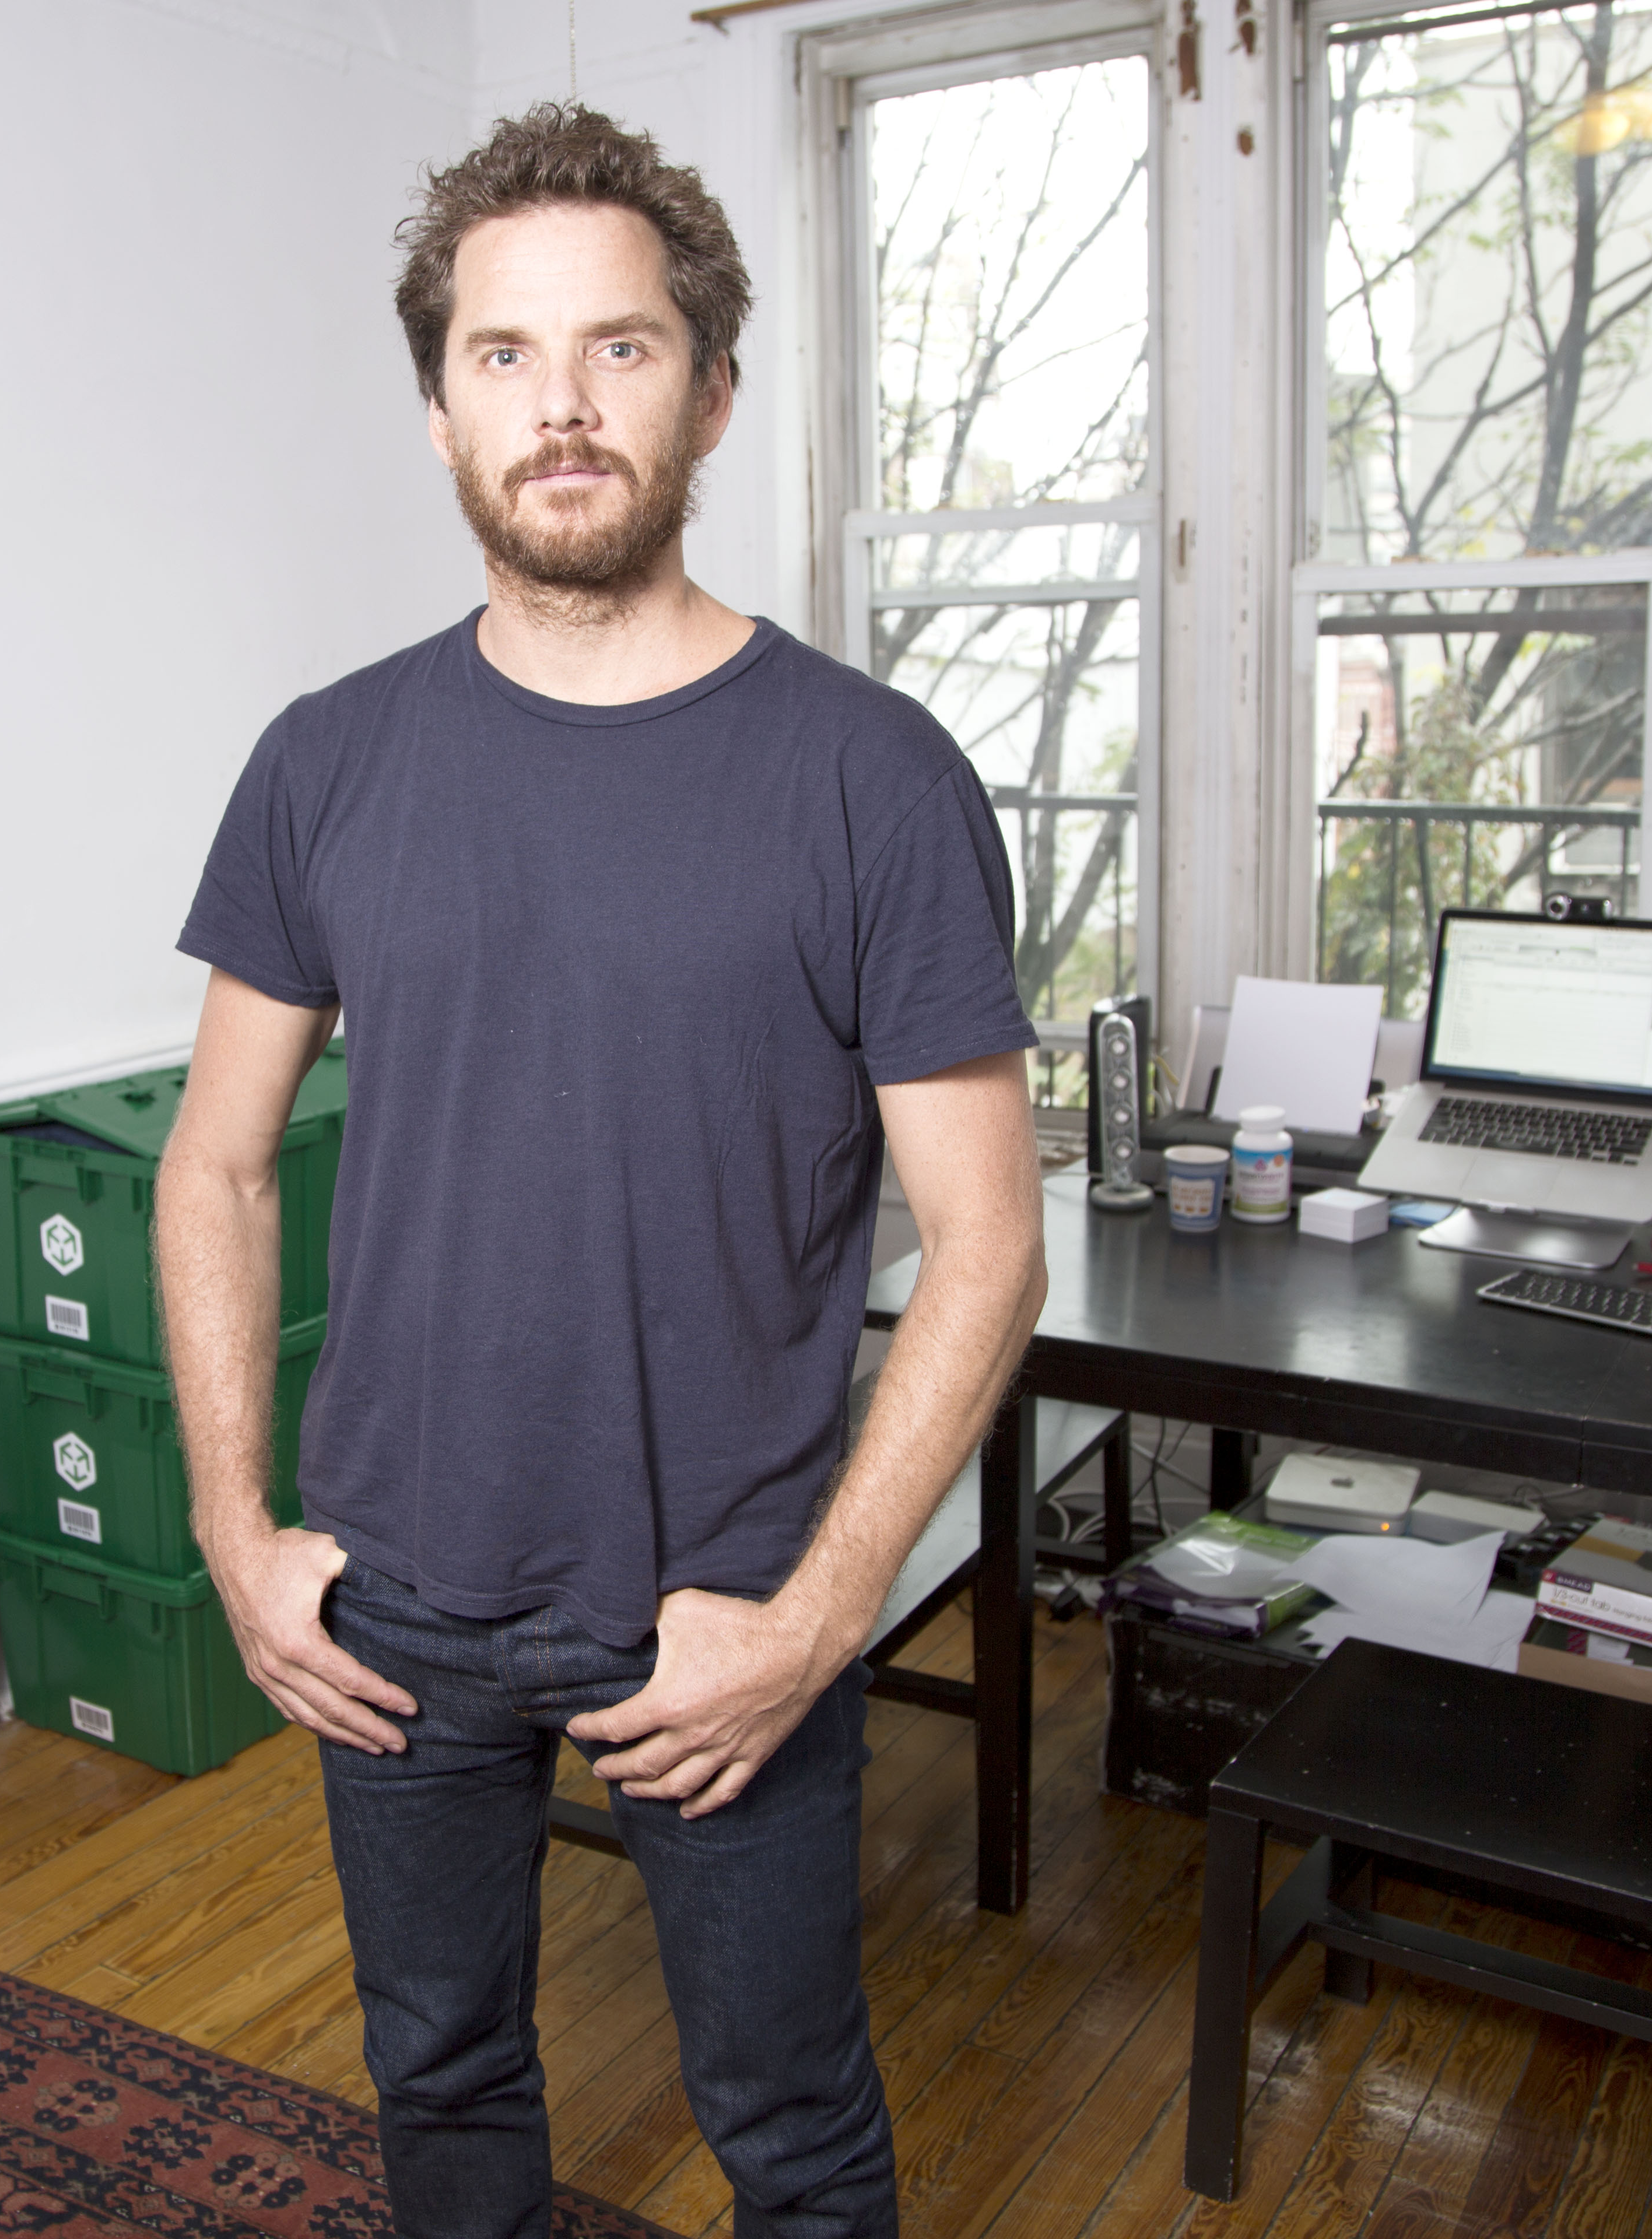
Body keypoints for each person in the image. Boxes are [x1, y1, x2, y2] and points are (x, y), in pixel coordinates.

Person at [154, 103, 1048, 2239]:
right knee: (441, 2078)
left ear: (712, 387)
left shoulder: (873, 781)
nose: (560, 406)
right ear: (441, 402)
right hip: (394, 1605)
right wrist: (233, 1525)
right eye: (501, 354)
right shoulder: (326, 761)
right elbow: (215, 1167)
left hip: (719, 1611)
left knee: (793, 2130)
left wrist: (820, 1624)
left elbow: (993, 1249)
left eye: (621, 351)